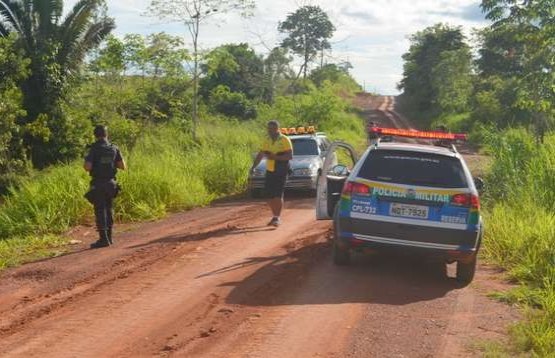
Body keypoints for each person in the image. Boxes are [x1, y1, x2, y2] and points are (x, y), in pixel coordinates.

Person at [84, 125, 126, 248]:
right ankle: (110, 237)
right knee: (109, 209)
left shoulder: (94, 149)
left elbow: (87, 167)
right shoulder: (114, 148)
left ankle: (103, 240)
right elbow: (123, 166)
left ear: (95, 135)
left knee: (100, 210)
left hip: (98, 184)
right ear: (107, 134)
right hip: (111, 184)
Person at [250, 120, 293, 227]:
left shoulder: (284, 139)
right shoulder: (267, 140)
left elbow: (289, 156)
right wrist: (253, 167)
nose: (270, 130)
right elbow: (260, 154)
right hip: (270, 169)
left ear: (277, 128)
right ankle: (275, 215)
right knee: (268, 195)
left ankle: (277, 217)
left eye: (272, 128)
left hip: (281, 169)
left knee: (277, 194)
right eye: (268, 128)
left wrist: (276, 157)